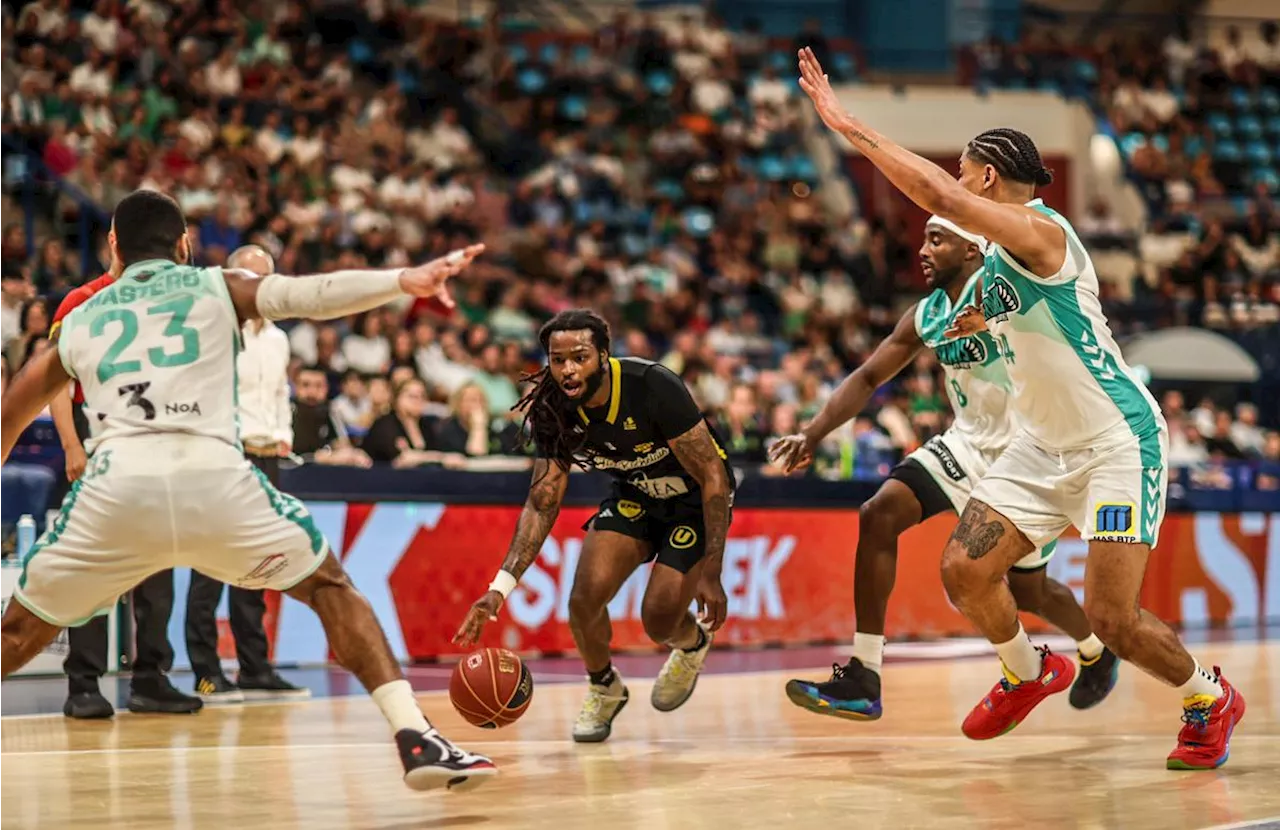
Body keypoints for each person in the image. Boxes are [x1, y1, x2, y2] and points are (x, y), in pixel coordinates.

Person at [797, 48, 1243, 770]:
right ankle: (1028, 670)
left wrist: (848, 126)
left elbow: (940, 197)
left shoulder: (1044, 233)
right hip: (1039, 446)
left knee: (1112, 619)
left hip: (1115, 441)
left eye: (966, 172)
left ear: (988, 177)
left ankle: (1207, 697)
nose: (959, 184)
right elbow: (945, 324)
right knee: (965, 573)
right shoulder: (993, 268)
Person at [0, 189, 494, 790]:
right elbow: (310, 294)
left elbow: (12, 413)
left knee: (19, 633)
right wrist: (405, 280)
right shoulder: (216, 284)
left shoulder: (79, 317)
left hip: (116, 492)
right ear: (183, 244)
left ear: (113, 247)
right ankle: (415, 734)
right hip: (217, 480)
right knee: (329, 586)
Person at [773, 217, 1118, 720]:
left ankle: (1094, 648)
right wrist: (812, 432)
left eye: (937, 239)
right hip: (964, 444)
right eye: (923, 237)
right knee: (878, 512)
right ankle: (864, 675)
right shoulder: (928, 313)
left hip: (1026, 459)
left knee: (1028, 592)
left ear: (974, 250)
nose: (923, 249)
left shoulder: (1002, 289)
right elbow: (869, 376)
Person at [453, 309, 733, 743]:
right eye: (557, 359)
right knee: (583, 600)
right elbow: (542, 502)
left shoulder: (651, 385)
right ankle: (604, 686)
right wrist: (499, 588)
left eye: (579, 357)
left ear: (604, 355)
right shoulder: (552, 406)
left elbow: (713, 476)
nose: (567, 369)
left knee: (659, 622)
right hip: (635, 494)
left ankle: (692, 644)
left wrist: (712, 570)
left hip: (693, 501)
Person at [49, 261, 200, 720]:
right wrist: (72, 445)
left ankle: (151, 680)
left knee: (158, 570)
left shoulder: (174, 301)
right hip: (97, 440)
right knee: (94, 568)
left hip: (157, 441)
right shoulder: (81, 299)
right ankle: (84, 684)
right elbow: (53, 383)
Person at [186, 245, 308, 703]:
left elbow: (280, 394)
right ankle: (205, 671)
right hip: (222, 454)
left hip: (266, 455)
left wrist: (283, 434)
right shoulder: (211, 329)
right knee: (210, 565)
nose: (258, 288)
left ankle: (256, 668)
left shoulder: (278, 339)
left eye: (265, 279)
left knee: (258, 565)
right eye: (249, 277)